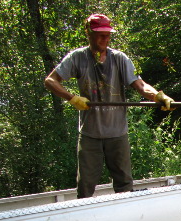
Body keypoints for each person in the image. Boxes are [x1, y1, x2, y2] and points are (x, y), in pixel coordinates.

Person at [44, 13, 173, 198]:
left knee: (125, 185)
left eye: (108, 34)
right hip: (90, 134)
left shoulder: (120, 59)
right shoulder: (77, 58)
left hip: (117, 134)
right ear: (88, 33)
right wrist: (72, 98)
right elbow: (50, 81)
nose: (105, 38)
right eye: (100, 34)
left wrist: (159, 96)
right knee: (85, 187)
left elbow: (140, 85)